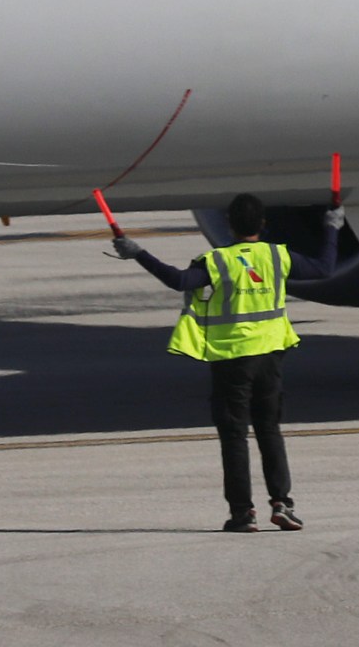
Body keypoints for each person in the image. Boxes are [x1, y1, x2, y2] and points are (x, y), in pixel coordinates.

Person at [108, 193, 340, 532]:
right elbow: (325, 267)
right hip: (271, 355)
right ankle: (282, 503)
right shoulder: (277, 256)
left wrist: (138, 253)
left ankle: (243, 513)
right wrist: (333, 226)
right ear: (263, 223)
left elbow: (177, 280)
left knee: (234, 436)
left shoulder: (215, 262)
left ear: (228, 224)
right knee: (269, 431)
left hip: (232, 360)